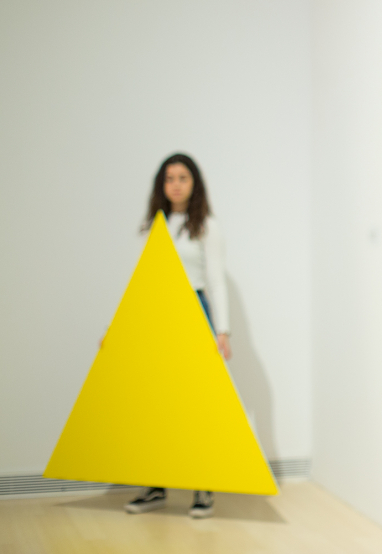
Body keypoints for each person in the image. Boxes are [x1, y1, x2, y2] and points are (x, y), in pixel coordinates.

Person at [123, 153, 230, 519]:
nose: (176, 184)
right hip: (157, 317)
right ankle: (155, 486)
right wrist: (119, 329)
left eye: (183, 177)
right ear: (161, 185)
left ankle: (203, 488)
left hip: (193, 313)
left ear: (194, 183)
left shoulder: (206, 226)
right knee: (156, 405)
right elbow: (142, 280)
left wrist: (222, 330)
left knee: (195, 404)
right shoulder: (153, 226)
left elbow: (216, 279)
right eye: (169, 178)